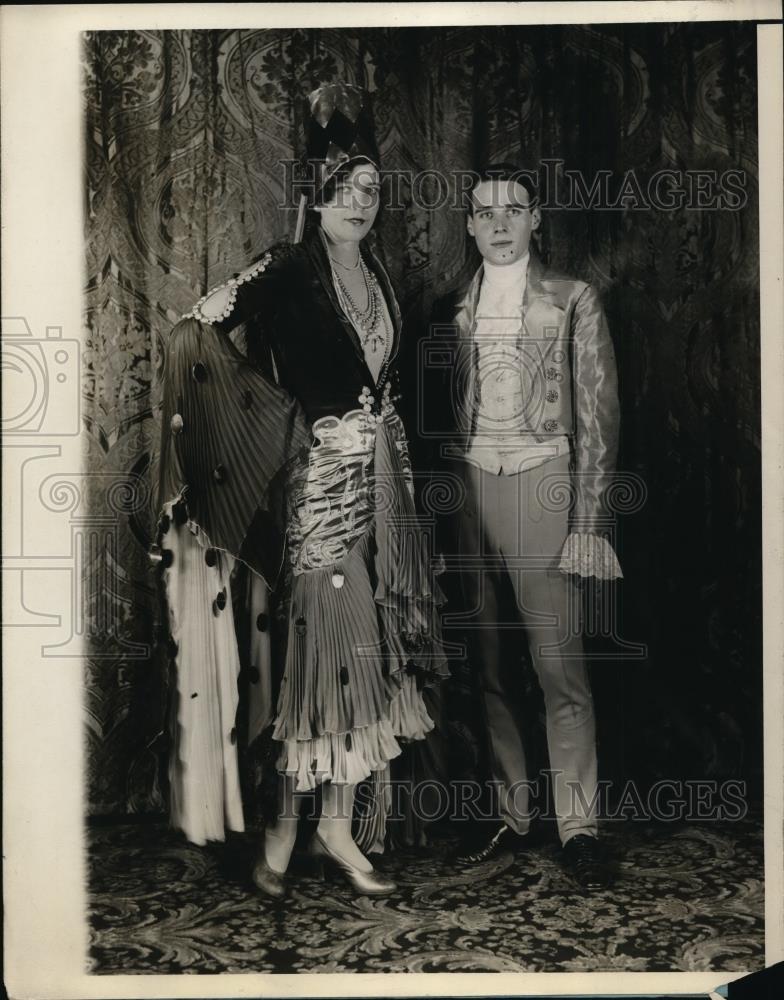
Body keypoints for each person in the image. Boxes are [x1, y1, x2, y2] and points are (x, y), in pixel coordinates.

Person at [154, 83, 448, 901]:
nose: (360, 202)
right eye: (345, 188)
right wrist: (290, 427)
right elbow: (195, 330)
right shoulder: (286, 268)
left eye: (372, 190)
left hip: (384, 485)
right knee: (314, 659)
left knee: (371, 657)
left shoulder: (378, 271)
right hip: (319, 494)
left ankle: (337, 828)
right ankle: (285, 829)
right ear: (316, 194)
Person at [427, 163, 621, 889]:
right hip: (472, 487)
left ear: (536, 218)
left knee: (556, 663)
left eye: (515, 208)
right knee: (486, 661)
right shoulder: (448, 309)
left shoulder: (574, 299)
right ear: (471, 224)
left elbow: (600, 415)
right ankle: (514, 813)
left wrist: (591, 519)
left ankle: (578, 825)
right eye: (487, 211)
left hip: (545, 481)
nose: (501, 222)